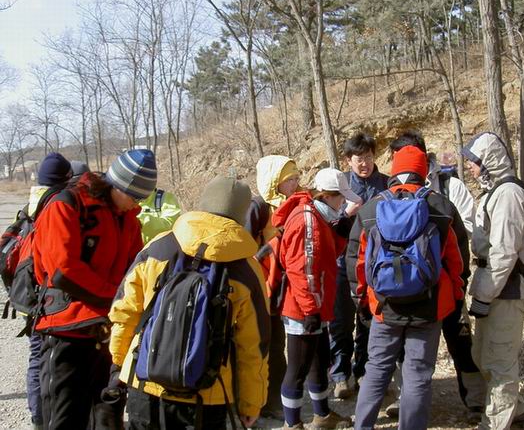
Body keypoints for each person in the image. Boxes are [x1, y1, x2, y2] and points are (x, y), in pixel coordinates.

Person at [109, 175, 270, 430]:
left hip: (144, 381)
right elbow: (254, 346)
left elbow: (125, 311)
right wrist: (251, 403)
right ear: (242, 214)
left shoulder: (159, 246)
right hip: (207, 394)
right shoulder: (247, 269)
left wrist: (118, 363)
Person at [33, 149, 155, 429]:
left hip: (108, 332)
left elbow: (135, 270)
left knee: (108, 417)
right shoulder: (66, 204)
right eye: (134, 196)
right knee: (65, 418)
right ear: (118, 185)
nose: (136, 204)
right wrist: (115, 298)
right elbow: (63, 271)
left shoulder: (128, 219)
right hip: (67, 330)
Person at [348, 143, 464, 430]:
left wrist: (361, 299)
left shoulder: (372, 208)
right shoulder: (441, 207)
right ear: (422, 172)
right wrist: (456, 296)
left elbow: (357, 261)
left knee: (376, 369)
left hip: (384, 305)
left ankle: (362, 426)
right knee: (417, 374)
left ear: (394, 170)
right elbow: (457, 260)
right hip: (429, 305)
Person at [274, 167, 355, 430]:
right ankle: (292, 424)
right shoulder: (307, 220)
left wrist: (340, 235)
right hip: (302, 307)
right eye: (340, 198)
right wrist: (310, 310)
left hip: (316, 303)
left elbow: (324, 255)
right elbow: (302, 268)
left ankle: (322, 415)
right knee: (298, 368)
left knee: (319, 361)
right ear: (327, 196)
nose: (343, 204)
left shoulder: (319, 216)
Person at [462, 132, 524, 430]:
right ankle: (516, 410)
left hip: (507, 289)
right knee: (482, 354)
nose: (469, 166)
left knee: (498, 361)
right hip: (495, 288)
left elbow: (504, 253)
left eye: (473, 161)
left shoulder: (508, 195)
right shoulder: (497, 193)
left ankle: (494, 424)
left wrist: (483, 296)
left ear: (488, 162)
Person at [330, 133, 387, 399]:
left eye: (368, 157)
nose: (364, 163)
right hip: (342, 262)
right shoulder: (339, 186)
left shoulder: (386, 184)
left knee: (369, 320)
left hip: (374, 264)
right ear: (348, 160)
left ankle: (364, 371)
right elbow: (327, 223)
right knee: (341, 321)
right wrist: (345, 213)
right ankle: (340, 375)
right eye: (359, 158)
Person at [245, 155, 300, 421]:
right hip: (258, 289)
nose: (295, 183)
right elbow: (244, 247)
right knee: (258, 346)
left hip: (280, 289)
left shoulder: (295, 205)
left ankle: (272, 400)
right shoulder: (258, 208)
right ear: (273, 182)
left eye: (296, 178)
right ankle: (253, 402)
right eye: (290, 179)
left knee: (277, 345)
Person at [25, 153, 73, 430]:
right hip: (45, 297)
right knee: (45, 359)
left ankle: (38, 416)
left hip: (28, 295)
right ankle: (45, 417)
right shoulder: (57, 205)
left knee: (36, 357)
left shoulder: (30, 205)